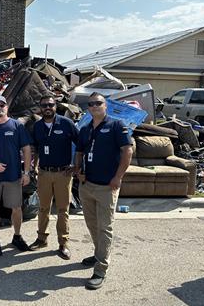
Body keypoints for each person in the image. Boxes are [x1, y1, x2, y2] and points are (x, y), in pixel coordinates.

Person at [74, 92, 133, 290]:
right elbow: (80, 152)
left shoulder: (117, 125)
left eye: (98, 103)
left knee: (105, 227)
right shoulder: (85, 129)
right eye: (90, 104)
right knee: (92, 225)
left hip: (107, 186)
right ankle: (99, 253)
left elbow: (127, 150)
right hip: (87, 185)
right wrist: (78, 171)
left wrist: (118, 177)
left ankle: (101, 269)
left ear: (105, 105)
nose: (94, 106)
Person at [29, 95, 79, 260]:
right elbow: (35, 147)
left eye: (51, 104)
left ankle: (63, 243)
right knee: (43, 208)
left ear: (55, 106)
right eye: (44, 105)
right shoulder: (37, 126)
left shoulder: (66, 124)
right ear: (40, 108)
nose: (48, 107)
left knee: (63, 209)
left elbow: (81, 144)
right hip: (44, 173)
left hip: (63, 174)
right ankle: (42, 239)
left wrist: (76, 165)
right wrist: (34, 167)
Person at [0, 95, 32, 256]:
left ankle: (17, 236)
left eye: (2, 105)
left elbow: (26, 149)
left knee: (16, 208)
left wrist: (26, 172)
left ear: (7, 108)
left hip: (13, 176)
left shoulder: (16, 126)